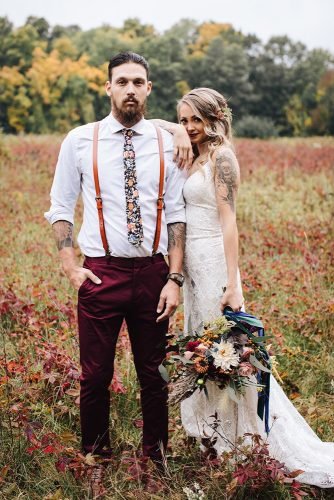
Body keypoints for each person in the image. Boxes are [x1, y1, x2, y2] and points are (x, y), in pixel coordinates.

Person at [155, 87, 334, 488]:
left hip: (217, 262)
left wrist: (233, 282)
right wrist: (178, 132)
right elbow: (152, 123)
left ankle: (248, 442)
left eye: (195, 120)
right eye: (183, 120)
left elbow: (229, 222)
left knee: (230, 355)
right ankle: (218, 441)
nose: (188, 127)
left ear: (215, 118)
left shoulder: (223, 158)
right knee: (203, 350)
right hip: (193, 271)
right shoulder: (196, 151)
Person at [44, 51, 188, 467]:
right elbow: (60, 205)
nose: (129, 89)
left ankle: (156, 457)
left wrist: (174, 279)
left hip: (152, 274)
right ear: (107, 87)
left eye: (137, 82)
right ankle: (96, 456)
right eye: (121, 81)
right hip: (100, 272)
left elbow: (177, 215)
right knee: (94, 376)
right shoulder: (79, 140)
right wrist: (70, 265)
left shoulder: (168, 142)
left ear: (148, 89)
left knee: (154, 375)